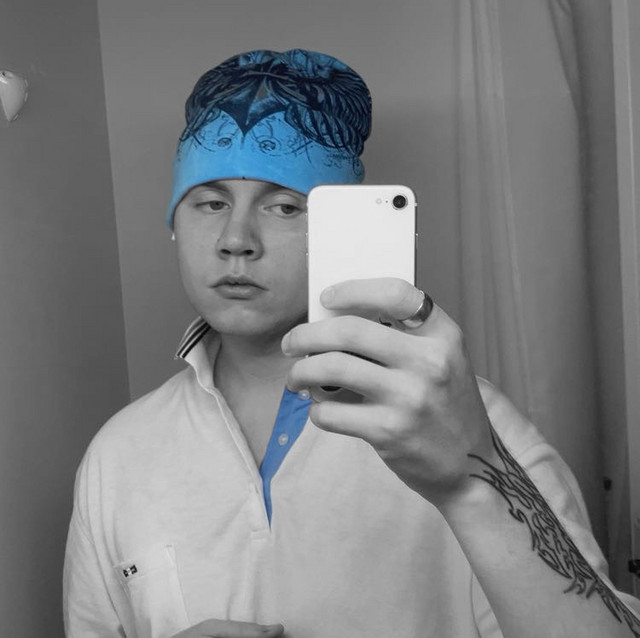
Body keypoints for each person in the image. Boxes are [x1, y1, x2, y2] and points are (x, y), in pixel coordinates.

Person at [63, 49, 640, 638]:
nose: (236, 239)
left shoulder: (466, 423)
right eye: (211, 203)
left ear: (343, 231)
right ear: (174, 223)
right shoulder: (118, 455)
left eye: (284, 206)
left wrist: (474, 482)